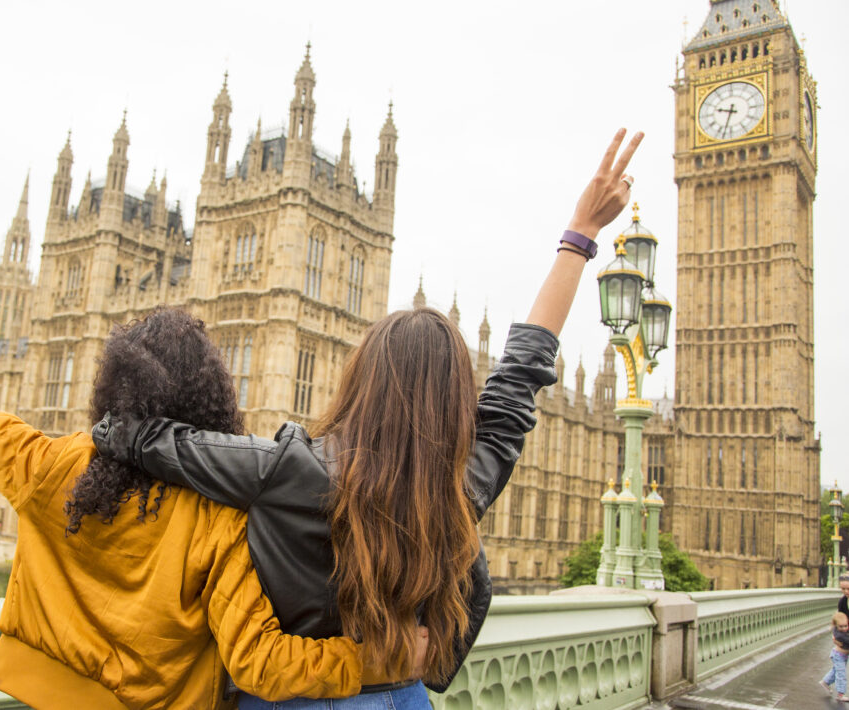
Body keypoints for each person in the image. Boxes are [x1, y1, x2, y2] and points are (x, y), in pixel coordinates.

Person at [93, 128, 645, 706]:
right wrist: (579, 237)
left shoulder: (289, 469)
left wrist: (112, 424)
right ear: (456, 402)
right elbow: (520, 376)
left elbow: (151, 441)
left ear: (362, 376)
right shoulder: (458, 486)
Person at [0, 308, 422, 709]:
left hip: (36, 694)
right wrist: (377, 655)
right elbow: (261, 663)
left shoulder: (52, 465)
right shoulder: (220, 516)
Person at [821, 611, 849, 700]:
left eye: (846, 626)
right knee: (841, 674)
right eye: (841, 626)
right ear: (836, 625)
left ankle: (825, 682)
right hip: (838, 655)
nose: (844, 628)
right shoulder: (839, 635)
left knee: (836, 671)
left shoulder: (840, 630)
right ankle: (840, 694)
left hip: (841, 656)